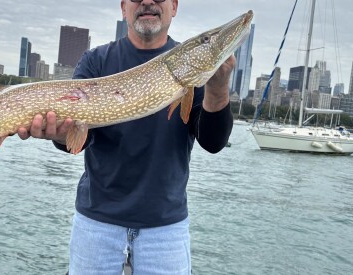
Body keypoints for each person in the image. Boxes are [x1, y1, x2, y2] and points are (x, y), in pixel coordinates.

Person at [18, 0, 234, 274]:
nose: (147, 2)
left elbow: (213, 142)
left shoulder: (190, 71)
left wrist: (218, 87)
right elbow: (79, 139)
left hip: (165, 228)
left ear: (175, 7)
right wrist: (59, 136)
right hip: (97, 223)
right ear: (123, 8)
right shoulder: (95, 61)